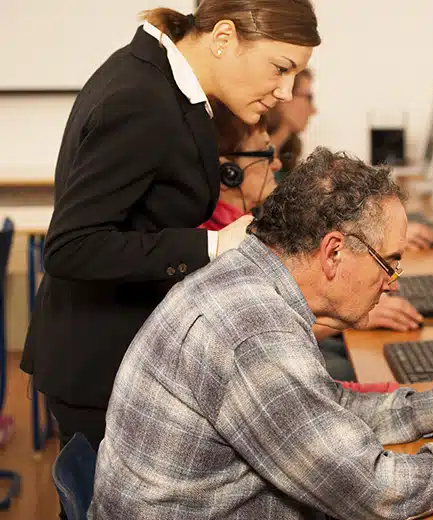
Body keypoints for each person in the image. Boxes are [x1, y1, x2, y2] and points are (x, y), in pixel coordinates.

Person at [89, 148, 433, 519]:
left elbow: (321, 409)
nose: (392, 282)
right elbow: (375, 492)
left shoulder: (250, 275)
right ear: (333, 252)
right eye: (387, 262)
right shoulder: (253, 336)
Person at [20, 0, 321, 458]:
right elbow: (70, 247)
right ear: (224, 39)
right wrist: (214, 245)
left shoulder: (162, 83)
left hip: (123, 354)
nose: (285, 91)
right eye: (280, 68)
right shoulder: (142, 97)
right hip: (103, 364)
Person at [199, 109, 433, 385]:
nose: (275, 165)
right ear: (228, 170)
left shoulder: (248, 223)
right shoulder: (226, 244)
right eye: (264, 155)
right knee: (346, 366)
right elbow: (275, 343)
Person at [265, 69, 433, 251]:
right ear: (282, 97)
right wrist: (387, 238)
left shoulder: (283, 159)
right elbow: (292, 236)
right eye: (308, 98)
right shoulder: (260, 169)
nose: (314, 110)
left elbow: (310, 222)